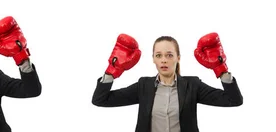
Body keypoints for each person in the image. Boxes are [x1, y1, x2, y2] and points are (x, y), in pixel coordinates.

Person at [91, 32, 243, 132]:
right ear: (153, 59)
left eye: (169, 55)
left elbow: (234, 100)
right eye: (158, 55)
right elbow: (100, 100)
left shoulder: (193, 85)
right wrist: (112, 70)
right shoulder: (143, 86)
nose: (164, 60)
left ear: (178, 58)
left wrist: (220, 68)